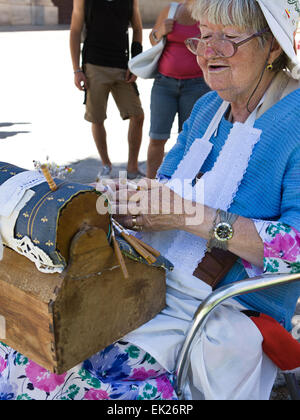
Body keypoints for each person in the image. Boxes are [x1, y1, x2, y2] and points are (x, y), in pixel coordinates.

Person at [1, 0, 300, 401]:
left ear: (274, 46)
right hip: (147, 286)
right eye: (204, 36)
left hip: (221, 311)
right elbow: (165, 189)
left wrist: (188, 216)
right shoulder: (209, 107)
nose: (209, 51)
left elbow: (295, 249)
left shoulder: (295, 121)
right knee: (24, 345)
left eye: (228, 39)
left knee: (81, 383)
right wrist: (125, 203)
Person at [70, 0, 145, 180]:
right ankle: (106, 165)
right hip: (94, 66)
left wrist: (135, 62)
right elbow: (75, 30)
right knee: (96, 117)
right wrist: (76, 70)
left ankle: (132, 167)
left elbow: (138, 28)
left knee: (138, 115)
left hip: (122, 65)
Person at [146, 0, 210, 179]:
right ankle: (151, 185)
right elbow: (153, 39)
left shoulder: (207, 11)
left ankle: (184, 187)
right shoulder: (170, 9)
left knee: (191, 141)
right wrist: (160, 31)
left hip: (197, 85)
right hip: (164, 84)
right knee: (157, 138)